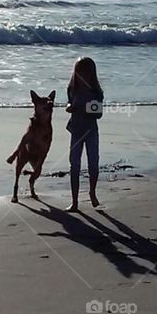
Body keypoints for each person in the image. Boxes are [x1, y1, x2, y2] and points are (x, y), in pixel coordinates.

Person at [65, 56, 103, 211]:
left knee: (93, 163)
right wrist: (69, 106)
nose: (81, 76)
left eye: (84, 73)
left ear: (91, 74)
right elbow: (69, 101)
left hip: (91, 130)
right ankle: (74, 201)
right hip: (76, 129)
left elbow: (98, 114)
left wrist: (83, 108)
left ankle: (92, 192)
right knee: (74, 164)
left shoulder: (95, 92)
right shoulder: (72, 88)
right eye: (78, 72)